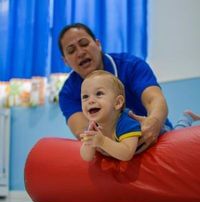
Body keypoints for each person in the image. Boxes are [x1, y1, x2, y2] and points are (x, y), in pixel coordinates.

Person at [58, 23, 172, 153]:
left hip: (154, 136)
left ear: (97, 44)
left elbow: (155, 99)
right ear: (65, 61)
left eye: (84, 43)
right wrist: (105, 143)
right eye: (71, 50)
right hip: (113, 148)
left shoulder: (131, 65)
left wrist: (154, 122)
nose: (80, 52)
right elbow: (82, 130)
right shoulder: (67, 93)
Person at [80, 70, 200, 162]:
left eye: (99, 94)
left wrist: (102, 141)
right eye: (85, 96)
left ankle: (186, 117)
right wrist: (89, 143)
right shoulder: (93, 127)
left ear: (117, 103)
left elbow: (127, 153)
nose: (90, 101)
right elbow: (87, 157)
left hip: (162, 136)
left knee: (178, 134)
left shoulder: (125, 123)